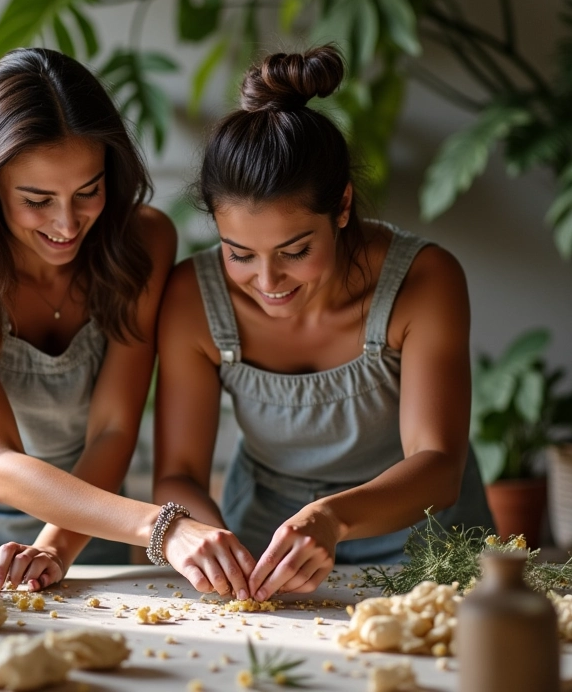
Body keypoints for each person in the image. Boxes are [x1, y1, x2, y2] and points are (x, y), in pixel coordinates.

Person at [0, 47, 255, 598]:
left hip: (84, 510)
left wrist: (54, 547)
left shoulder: (143, 242)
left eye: (88, 191)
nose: (67, 222)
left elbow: (113, 429)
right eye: (37, 199)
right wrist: (161, 526)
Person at [153, 46, 494, 603]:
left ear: (341, 206)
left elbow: (437, 464)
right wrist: (201, 537)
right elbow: (180, 473)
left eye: (295, 249)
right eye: (239, 253)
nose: (268, 280)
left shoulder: (424, 280)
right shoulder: (194, 297)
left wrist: (332, 518)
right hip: (263, 544)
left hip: (423, 539)